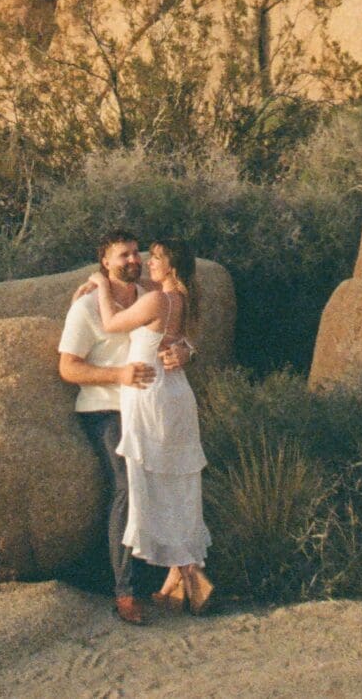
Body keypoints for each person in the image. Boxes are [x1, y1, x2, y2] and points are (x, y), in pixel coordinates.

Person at [57, 228, 192, 625]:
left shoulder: (150, 295)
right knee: (127, 486)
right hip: (108, 410)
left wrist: (187, 351)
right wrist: (118, 374)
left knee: (170, 481)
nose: (133, 260)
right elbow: (67, 367)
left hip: (150, 406)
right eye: (123, 255)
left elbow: (178, 331)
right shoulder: (85, 309)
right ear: (105, 262)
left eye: (137, 253)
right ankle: (125, 592)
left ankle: (174, 577)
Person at [84, 239, 213, 615]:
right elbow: (185, 341)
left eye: (157, 258)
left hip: (149, 394)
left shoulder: (157, 300)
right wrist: (187, 350)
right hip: (174, 394)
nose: (147, 262)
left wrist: (99, 282)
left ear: (172, 266)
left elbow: (110, 323)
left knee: (148, 487)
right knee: (173, 485)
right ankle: (181, 574)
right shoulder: (182, 300)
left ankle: (186, 573)